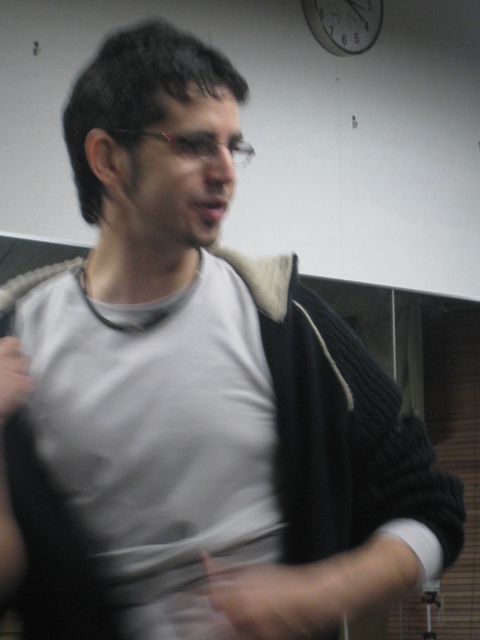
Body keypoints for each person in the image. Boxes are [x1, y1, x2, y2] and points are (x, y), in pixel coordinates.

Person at [0, 18, 465, 640]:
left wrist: (314, 596)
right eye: (195, 144)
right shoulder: (19, 338)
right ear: (107, 158)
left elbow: (432, 509)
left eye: (233, 146)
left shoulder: (283, 320)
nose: (226, 172)